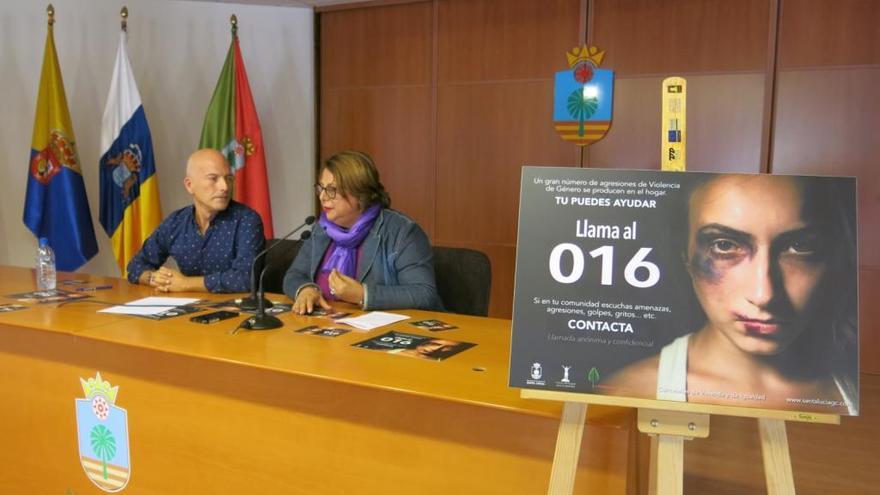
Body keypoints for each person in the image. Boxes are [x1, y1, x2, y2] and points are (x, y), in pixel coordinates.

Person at [605, 174, 858, 414]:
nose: (764, 295)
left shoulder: (861, 379)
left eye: (800, 247)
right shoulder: (628, 392)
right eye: (724, 246)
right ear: (685, 255)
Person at [283, 150, 442, 313]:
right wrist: (305, 289)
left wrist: (363, 294)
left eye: (331, 190)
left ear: (360, 194)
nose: (322, 196)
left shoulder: (402, 232)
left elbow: (424, 294)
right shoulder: (322, 229)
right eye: (321, 188)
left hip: (384, 331)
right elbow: (295, 274)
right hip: (329, 328)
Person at [127, 149, 264, 293]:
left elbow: (246, 278)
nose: (225, 187)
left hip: (234, 309)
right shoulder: (176, 222)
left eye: (229, 179)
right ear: (189, 185)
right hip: (188, 308)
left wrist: (186, 284)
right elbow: (135, 266)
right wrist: (154, 278)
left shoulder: (247, 220)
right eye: (213, 178)